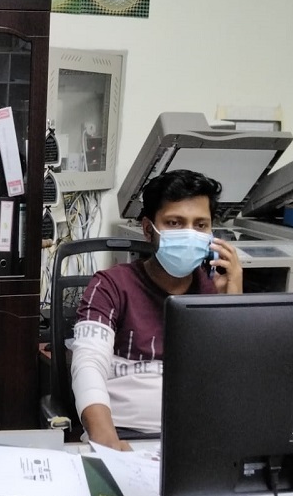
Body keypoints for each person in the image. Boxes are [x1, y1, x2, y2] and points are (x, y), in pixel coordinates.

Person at [69, 169, 243, 450]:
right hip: (122, 435)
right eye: (175, 222)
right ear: (149, 229)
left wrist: (233, 305)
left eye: (200, 225)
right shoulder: (112, 285)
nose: (189, 233)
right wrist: (106, 439)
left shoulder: (215, 291)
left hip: (195, 441)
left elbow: (232, 385)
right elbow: (89, 364)